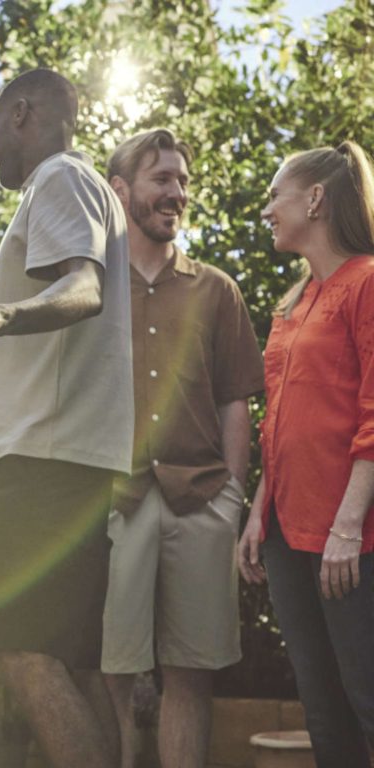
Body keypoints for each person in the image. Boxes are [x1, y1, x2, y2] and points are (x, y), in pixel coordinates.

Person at [0, 68, 133, 768]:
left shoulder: (59, 179)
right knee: (72, 663)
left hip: (46, 465)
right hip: (71, 456)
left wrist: (2, 314)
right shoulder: (90, 188)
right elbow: (73, 363)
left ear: (21, 113)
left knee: (20, 650)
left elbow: (84, 291)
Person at [99, 129, 264, 768]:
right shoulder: (90, 290)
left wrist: (231, 498)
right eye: (162, 179)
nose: (177, 193)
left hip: (201, 502)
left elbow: (235, 400)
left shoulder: (215, 290)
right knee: (113, 672)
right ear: (121, 191)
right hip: (115, 500)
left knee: (191, 674)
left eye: (183, 181)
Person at [238, 142, 374, 768]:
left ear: (315, 199)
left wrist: (347, 526)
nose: (267, 210)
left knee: (367, 696)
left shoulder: (367, 283)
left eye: (276, 196)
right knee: (321, 707)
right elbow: (279, 428)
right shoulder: (292, 305)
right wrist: (257, 515)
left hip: (350, 541)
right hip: (287, 537)